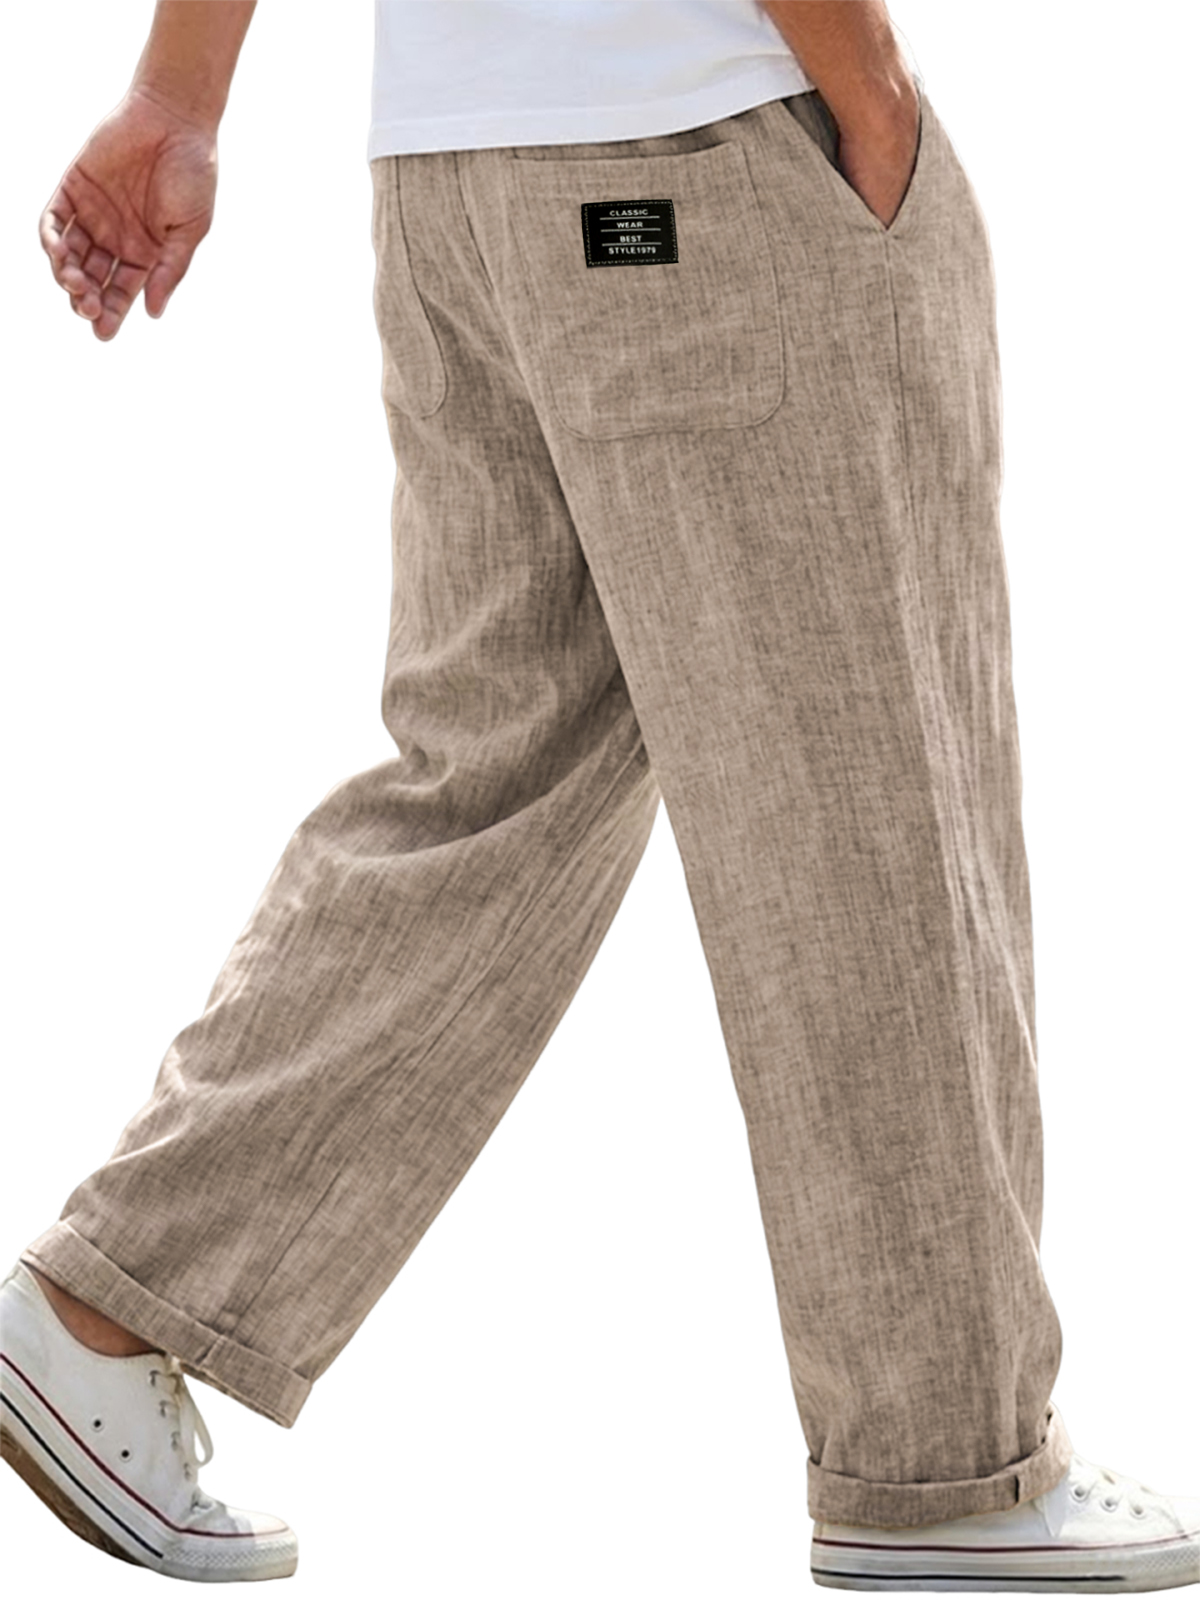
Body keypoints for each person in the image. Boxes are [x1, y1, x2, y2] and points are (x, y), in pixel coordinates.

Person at [1, 0, 1196, 1588]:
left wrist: (177, 92)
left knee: (483, 796)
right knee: (864, 807)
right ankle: (945, 1464)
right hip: (708, 141)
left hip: (452, 181)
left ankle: (104, 1309)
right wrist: (871, 91)